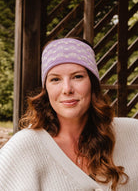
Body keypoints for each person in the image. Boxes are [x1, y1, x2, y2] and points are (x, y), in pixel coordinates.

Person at [0, 37, 138, 191]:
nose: (67, 89)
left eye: (77, 76)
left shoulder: (133, 133)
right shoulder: (25, 147)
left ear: (92, 83)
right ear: (46, 89)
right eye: (55, 79)